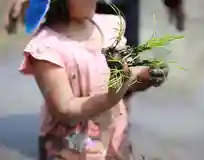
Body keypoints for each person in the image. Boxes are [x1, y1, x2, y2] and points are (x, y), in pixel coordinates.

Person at [5, 0, 168, 159]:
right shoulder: (47, 48)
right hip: (72, 143)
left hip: (113, 135)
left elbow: (127, 76)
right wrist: (109, 99)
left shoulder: (110, 27)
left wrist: (145, 76)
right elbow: (65, 110)